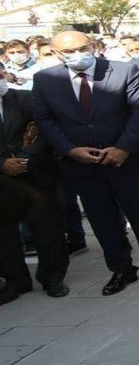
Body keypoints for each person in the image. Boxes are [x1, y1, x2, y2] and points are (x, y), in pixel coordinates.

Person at [31, 31, 139, 295]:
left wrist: (123, 147)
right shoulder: (46, 79)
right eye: (68, 52)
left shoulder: (123, 71)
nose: (77, 55)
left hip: (128, 160)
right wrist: (70, 150)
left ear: (93, 46)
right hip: (82, 163)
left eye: (82, 48)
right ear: (56, 53)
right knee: (102, 219)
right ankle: (121, 269)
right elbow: (44, 119)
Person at [0, 78, 70, 302]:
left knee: (47, 227)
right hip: (2, 178)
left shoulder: (26, 98)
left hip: (35, 173)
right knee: (5, 233)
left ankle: (52, 277)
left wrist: (24, 159)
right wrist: (2, 163)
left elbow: (46, 129)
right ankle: (16, 279)